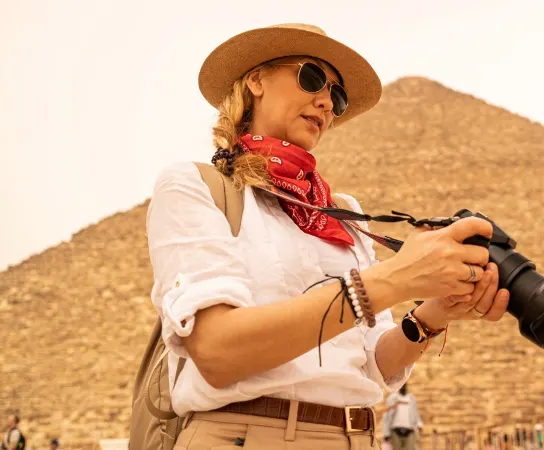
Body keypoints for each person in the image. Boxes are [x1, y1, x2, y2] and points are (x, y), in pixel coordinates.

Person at [146, 23, 511, 450]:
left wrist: (434, 313)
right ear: (256, 79)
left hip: (353, 438)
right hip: (243, 437)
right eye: (312, 77)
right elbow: (218, 351)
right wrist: (394, 279)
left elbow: (373, 364)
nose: (325, 102)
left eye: (336, 96)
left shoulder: (342, 212)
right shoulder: (195, 186)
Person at [383, 384, 423, 449]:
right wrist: (386, 433)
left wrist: (419, 424)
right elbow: (387, 416)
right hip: (395, 431)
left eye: (404, 385)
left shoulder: (411, 398)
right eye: (402, 385)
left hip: (409, 431)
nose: (403, 387)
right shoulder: (392, 398)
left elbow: (415, 412)